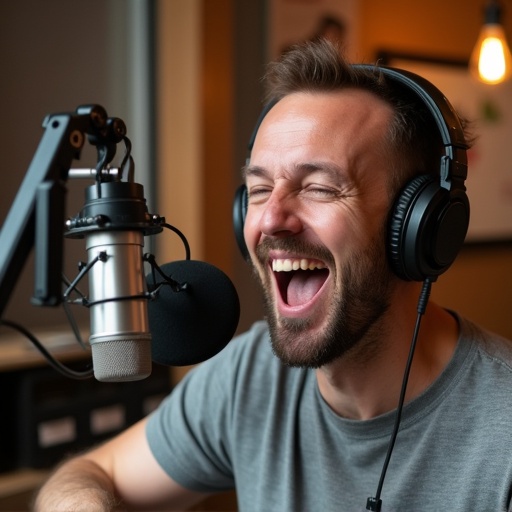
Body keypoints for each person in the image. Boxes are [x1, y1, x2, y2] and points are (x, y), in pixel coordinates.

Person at [34, 39, 512, 512]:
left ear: (418, 229)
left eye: (321, 187)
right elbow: (88, 475)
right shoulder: (250, 375)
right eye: (258, 189)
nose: (270, 219)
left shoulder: (502, 433)